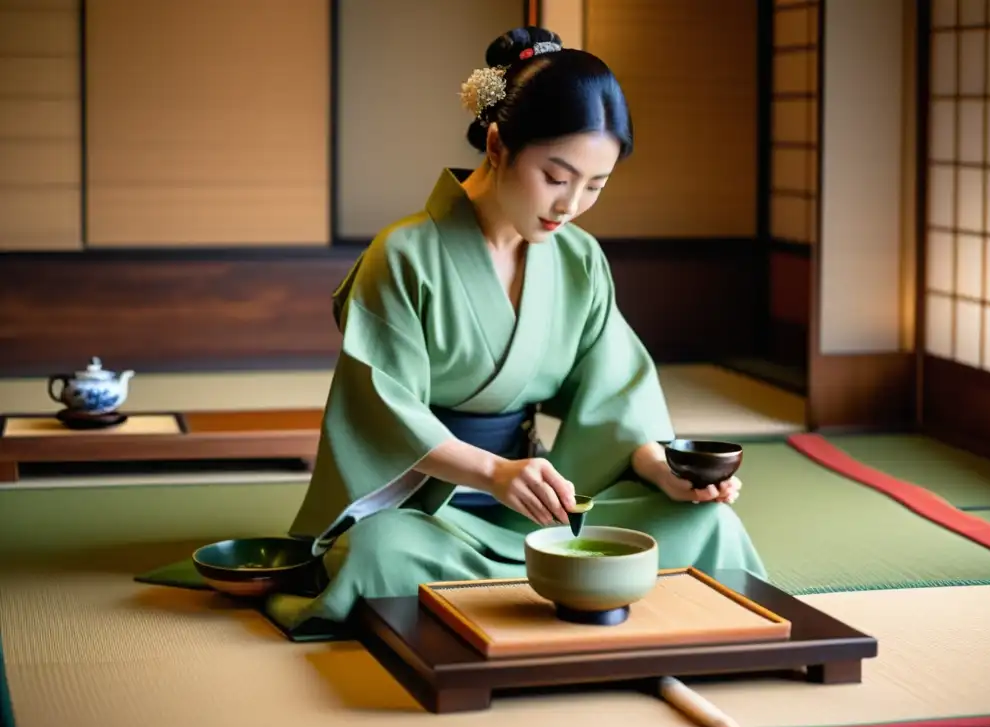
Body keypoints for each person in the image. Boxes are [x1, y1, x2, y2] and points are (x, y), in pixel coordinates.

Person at [267, 26, 768, 632]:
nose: (571, 205)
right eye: (557, 178)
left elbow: (615, 394)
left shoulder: (579, 259)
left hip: (541, 503)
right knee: (380, 555)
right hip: (430, 504)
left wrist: (657, 466)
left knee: (706, 524)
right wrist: (494, 473)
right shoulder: (401, 256)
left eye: (595, 186)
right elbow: (380, 412)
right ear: (499, 145)